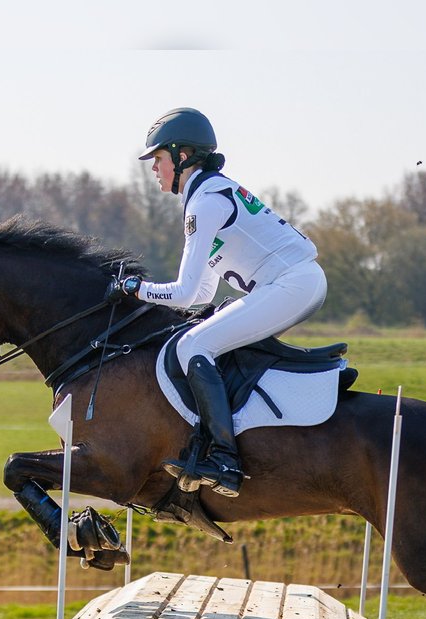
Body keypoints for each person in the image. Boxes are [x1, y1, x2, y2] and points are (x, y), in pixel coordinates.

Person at [111, 107, 327, 498]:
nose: (154, 170)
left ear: (181, 157)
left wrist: (134, 288)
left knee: (193, 345)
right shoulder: (207, 195)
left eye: (157, 159)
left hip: (292, 284)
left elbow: (185, 293)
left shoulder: (205, 203)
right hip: (293, 282)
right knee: (200, 337)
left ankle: (225, 459)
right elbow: (204, 293)